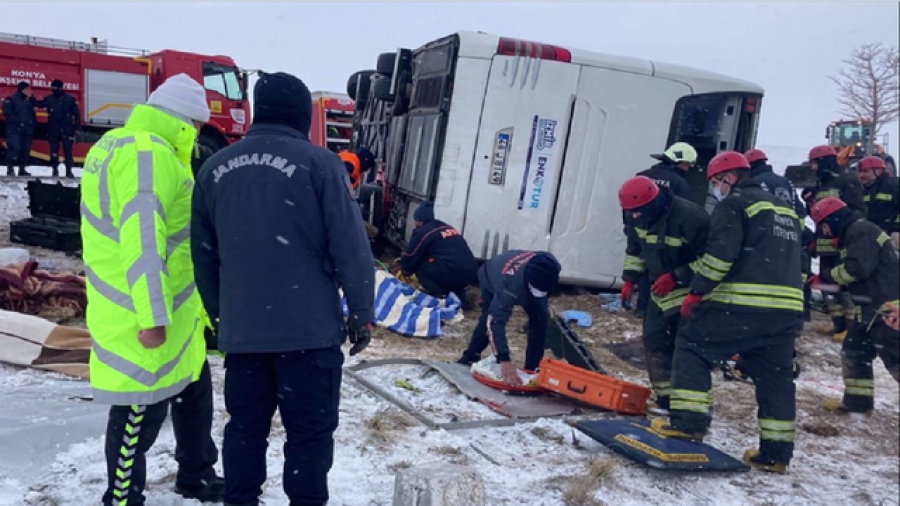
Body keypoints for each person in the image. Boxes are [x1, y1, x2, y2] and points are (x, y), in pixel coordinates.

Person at [191, 71, 375, 506]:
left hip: (245, 335)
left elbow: (202, 254)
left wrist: (221, 315)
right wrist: (361, 313)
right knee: (309, 437)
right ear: (299, 114)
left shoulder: (215, 169)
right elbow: (351, 248)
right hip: (308, 335)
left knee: (245, 430)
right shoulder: (321, 164)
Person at [80, 73, 221, 505]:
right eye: (197, 125)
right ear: (183, 120)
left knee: (194, 390)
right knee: (140, 408)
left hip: (178, 310)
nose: (197, 135)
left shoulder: (120, 145)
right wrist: (152, 317)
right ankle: (122, 496)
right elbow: (143, 240)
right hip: (144, 312)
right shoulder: (148, 155)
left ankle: (196, 474)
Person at [654, 151, 804, 474]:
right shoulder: (786, 211)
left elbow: (720, 256)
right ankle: (776, 454)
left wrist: (696, 291)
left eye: (716, 183)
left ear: (729, 178)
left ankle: (689, 424)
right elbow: (799, 264)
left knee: (691, 344)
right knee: (775, 377)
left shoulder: (735, 204)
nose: (716, 189)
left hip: (743, 304)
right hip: (786, 311)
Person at [618, 176, 709, 414]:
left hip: (692, 293)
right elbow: (636, 249)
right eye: (631, 213)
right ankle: (666, 400)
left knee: (686, 351)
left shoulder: (692, 218)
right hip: (659, 292)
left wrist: (677, 276)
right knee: (654, 342)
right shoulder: (635, 215)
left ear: (652, 203)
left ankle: (692, 410)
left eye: (638, 212)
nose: (634, 217)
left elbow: (712, 261)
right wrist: (629, 279)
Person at [809, 197, 899, 414]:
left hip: (884, 307)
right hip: (869, 308)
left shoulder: (861, 231)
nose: (824, 231)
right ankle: (858, 403)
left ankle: (858, 403)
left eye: (823, 225)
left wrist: (827, 277)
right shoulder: (855, 233)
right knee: (854, 352)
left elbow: (857, 269)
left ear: (833, 219)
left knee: (895, 358)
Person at [456, 250, 561, 385]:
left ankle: (531, 368)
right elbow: (495, 322)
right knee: (487, 319)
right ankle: (470, 356)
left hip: (526, 279)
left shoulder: (550, 266)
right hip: (492, 276)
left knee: (540, 320)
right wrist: (504, 359)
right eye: (536, 290)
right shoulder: (508, 285)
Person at [805, 145, 867, 341]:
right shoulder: (823, 183)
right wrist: (810, 202)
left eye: (816, 163)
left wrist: (845, 236)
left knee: (844, 286)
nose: (813, 168)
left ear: (826, 161)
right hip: (825, 246)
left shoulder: (847, 181)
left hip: (841, 244)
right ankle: (838, 324)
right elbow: (820, 215)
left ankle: (851, 327)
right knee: (827, 285)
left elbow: (859, 211)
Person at [399, 201, 478, 301]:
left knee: (420, 266)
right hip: (470, 271)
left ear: (419, 220)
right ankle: (461, 295)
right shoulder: (445, 226)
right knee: (441, 266)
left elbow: (411, 256)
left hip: (451, 270)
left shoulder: (422, 232)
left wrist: (404, 270)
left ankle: (440, 296)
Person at [856, 155, 899, 248]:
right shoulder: (862, 189)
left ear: (878, 171)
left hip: (892, 236)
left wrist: (896, 229)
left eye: (865, 171)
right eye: (859, 172)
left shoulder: (894, 185)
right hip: (871, 237)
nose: (861, 175)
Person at [43, 79, 81, 178]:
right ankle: (54, 169)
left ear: (60, 87)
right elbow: (39, 104)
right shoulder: (49, 99)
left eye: (55, 87)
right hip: (54, 129)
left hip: (66, 129)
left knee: (67, 150)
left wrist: (77, 128)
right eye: (52, 87)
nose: (53, 89)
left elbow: (77, 115)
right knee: (54, 151)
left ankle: (69, 170)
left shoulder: (70, 99)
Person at [3, 81, 38, 176]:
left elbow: (33, 113)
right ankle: (10, 168)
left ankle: (22, 169)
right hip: (15, 129)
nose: (30, 91)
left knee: (25, 150)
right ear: (22, 90)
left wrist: (33, 124)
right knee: (14, 148)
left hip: (27, 130)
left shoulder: (29, 101)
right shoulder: (11, 99)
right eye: (27, 89)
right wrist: (18, 122)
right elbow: (7, 113)